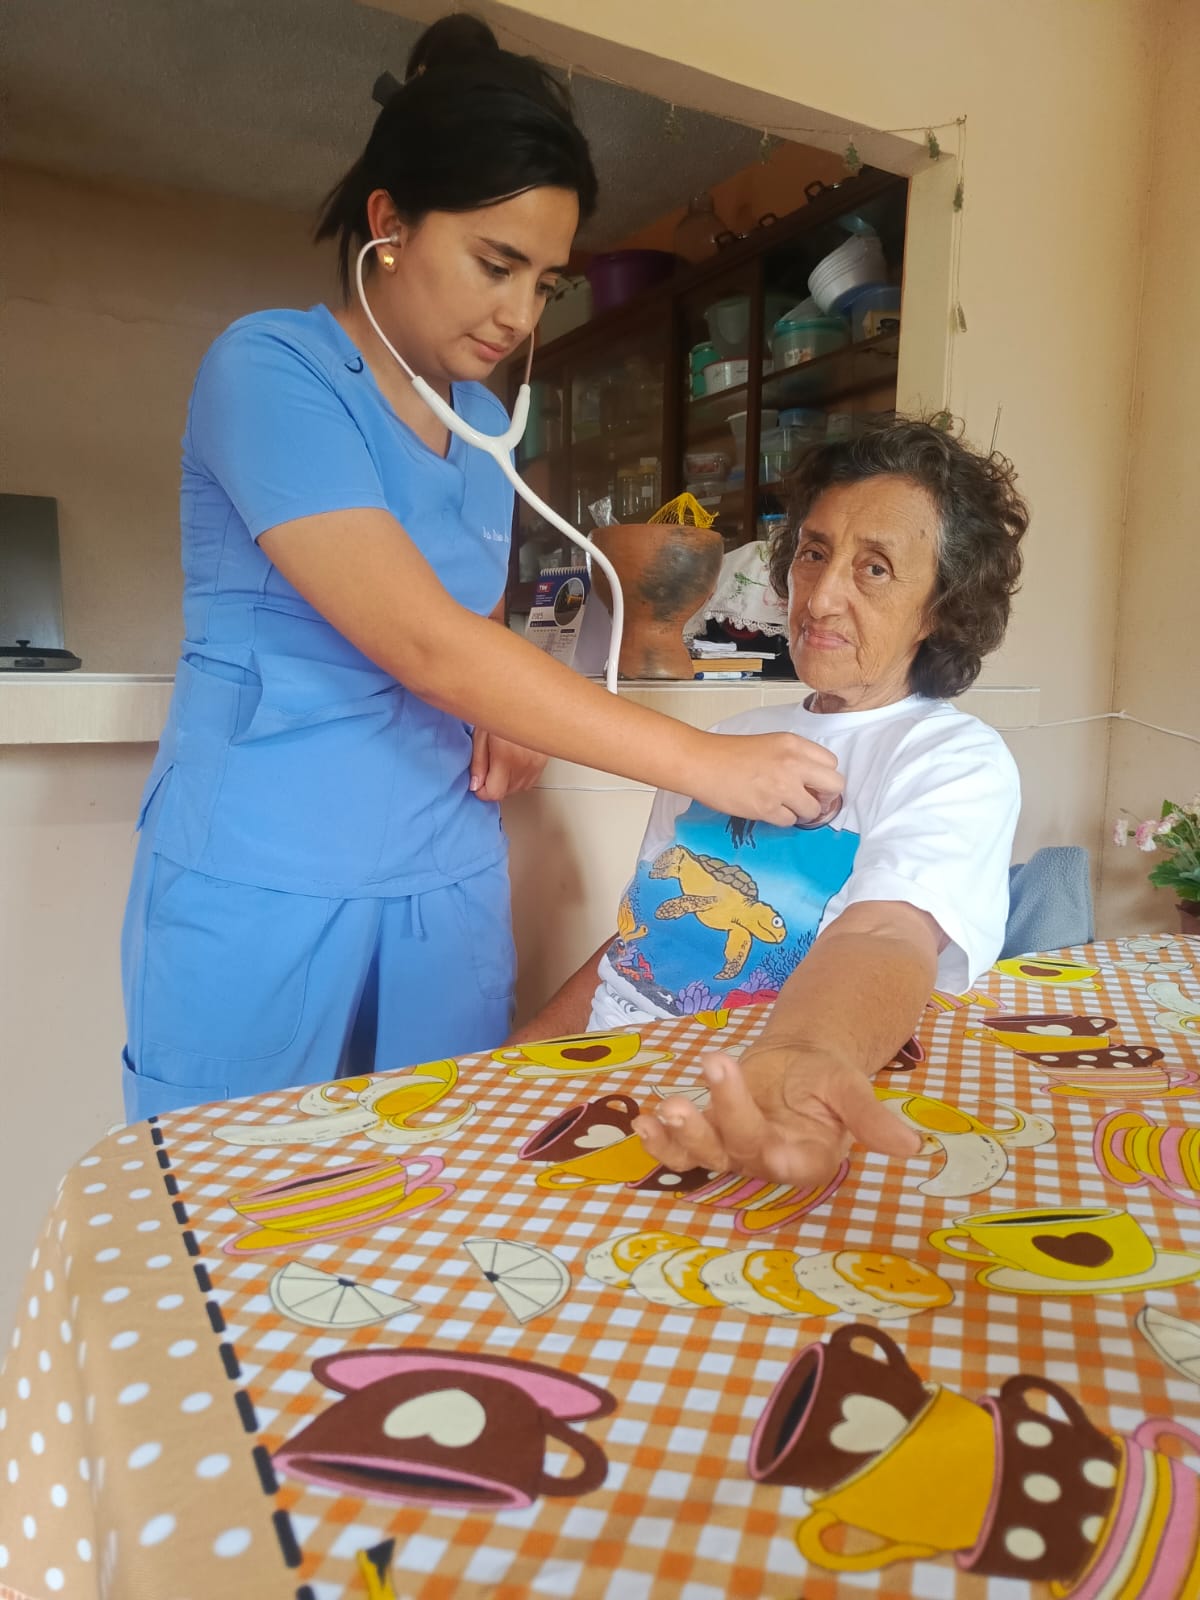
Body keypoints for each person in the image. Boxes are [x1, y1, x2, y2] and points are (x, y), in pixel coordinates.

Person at [119, 14, 841, 1124]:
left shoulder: (484, 424)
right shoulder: (268, 370)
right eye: (496, 264)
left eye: (546, 282)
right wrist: (707, 762)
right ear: (389, 224)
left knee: (438, 1177)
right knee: (238, 1189)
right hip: (265, 879)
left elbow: (476, 624)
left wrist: (507, 704)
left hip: (444, 879)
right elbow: (424, 639)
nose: (518, 313)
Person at [510, 420, 1029, 1187]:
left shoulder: (952, 760)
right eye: (814, 553)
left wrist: (802, 1062)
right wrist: (521, 1057)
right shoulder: (729, 742)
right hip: (605, 1079)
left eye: (875, 568)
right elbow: (640, 941)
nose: (821, 596)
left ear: (941, 608)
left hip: (758, 1110)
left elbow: (887, 931)